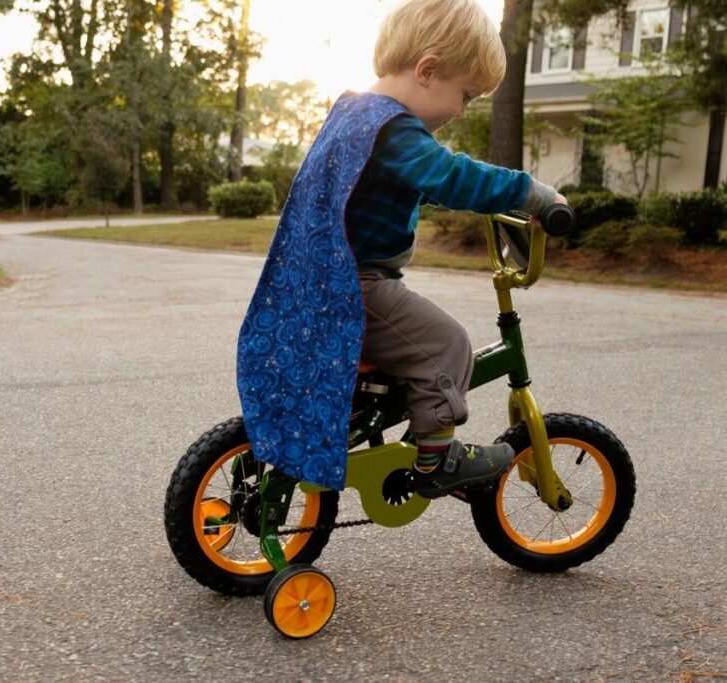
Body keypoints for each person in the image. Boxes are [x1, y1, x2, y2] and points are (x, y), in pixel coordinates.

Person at [236, 0, 566, 497]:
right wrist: (533, 195)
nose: (461, 111)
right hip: (356, 286)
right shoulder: (391, 127)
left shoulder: (355, 112)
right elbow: (449, 175)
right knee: (445, 345)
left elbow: (420, 180)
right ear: (428, 70)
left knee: (419, 345)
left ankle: (402, 432)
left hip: (321, 282)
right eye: (467, 95)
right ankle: (437, 460)